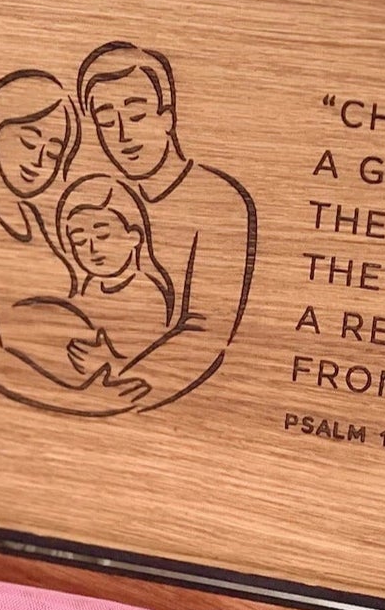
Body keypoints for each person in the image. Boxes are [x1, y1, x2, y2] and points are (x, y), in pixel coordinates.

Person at [0, 71, 144, 412]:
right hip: (32, 406)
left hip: (84, 393)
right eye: (29, 141)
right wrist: (77, 399)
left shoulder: (33, 217)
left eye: (53, 153)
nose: (39, 163)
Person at [69, 42, 257, 408]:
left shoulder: (220, 202)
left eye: (136, 115)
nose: (122, 136)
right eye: (106, 121)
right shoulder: (101, 201)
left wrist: (120, 381)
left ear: (167, 116)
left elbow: (204, 333)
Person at [55, 174, 172, 356]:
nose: (91, 249)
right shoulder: (90, 287)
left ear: (133, 237)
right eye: (79, 241)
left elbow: (149, 355)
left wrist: (105, 360)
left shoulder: (147, 293)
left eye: (102, 235)